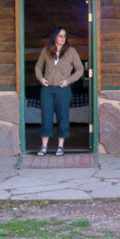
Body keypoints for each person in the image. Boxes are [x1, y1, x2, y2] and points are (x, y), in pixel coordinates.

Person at [34, 26, 84, 156]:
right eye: (60, 36)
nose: (63, 38)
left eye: (64, 36)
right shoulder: (46, 50)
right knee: (46, 116)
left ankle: (60, 146)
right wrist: (41, 79)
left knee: (63, 116)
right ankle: (44, 146)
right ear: (54, 37)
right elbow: (38, 66)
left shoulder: (71, 51)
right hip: (47, 90)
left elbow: (80, 69)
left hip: (63, 90)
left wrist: (68, 81)